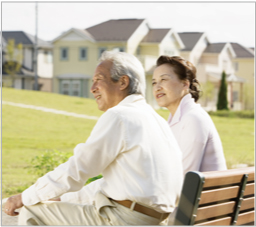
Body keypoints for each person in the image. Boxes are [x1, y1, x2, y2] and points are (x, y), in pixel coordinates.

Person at [4, 51, 183, 226]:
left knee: (31, 211)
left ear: (122, 82)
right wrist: (61, 197)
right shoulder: (156, 120)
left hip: (125, 220)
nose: (92, 89)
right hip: (155, 220)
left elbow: (77, 169)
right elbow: (112, 183)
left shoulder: (120, 116)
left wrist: (24, 197)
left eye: (98, 80)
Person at [152, 55, 227, 176]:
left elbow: (184, 175)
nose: (157, 87)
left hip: (200, 194)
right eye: (154, 82)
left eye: (164, 79)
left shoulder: (193, 118)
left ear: (185, 84)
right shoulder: (175, 120)